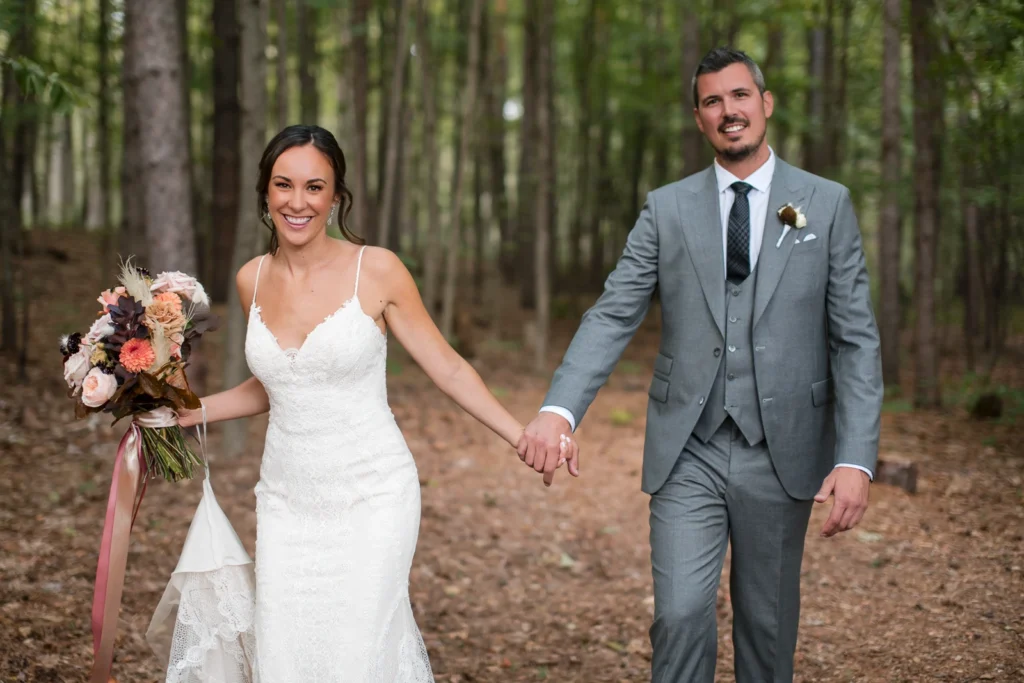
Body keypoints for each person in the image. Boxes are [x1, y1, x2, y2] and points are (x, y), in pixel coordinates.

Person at [518, 47, 883, 682]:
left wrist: (855, 458)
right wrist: (559, 409)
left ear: (765, 104)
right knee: (681, 614)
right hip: (689, 446)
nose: (728, 110)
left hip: (784, 448)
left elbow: (855, 339)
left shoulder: (825, 204)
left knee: (768, 628)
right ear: (699, 118)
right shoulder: (667, 208)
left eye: (740, 96)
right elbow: (613, 313)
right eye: (713, 101)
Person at [176, 125, 575, 680]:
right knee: (286, 658)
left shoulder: (377, 269)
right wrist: (190, 411)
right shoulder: (252, 278)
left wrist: (521, 436)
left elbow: (448, 367)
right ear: (265, 192)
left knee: (357, 655)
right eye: (284, 185)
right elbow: (280, 383)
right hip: (286, 502)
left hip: (374, 495)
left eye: (314, 187)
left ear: (336, 197)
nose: (297, 202)